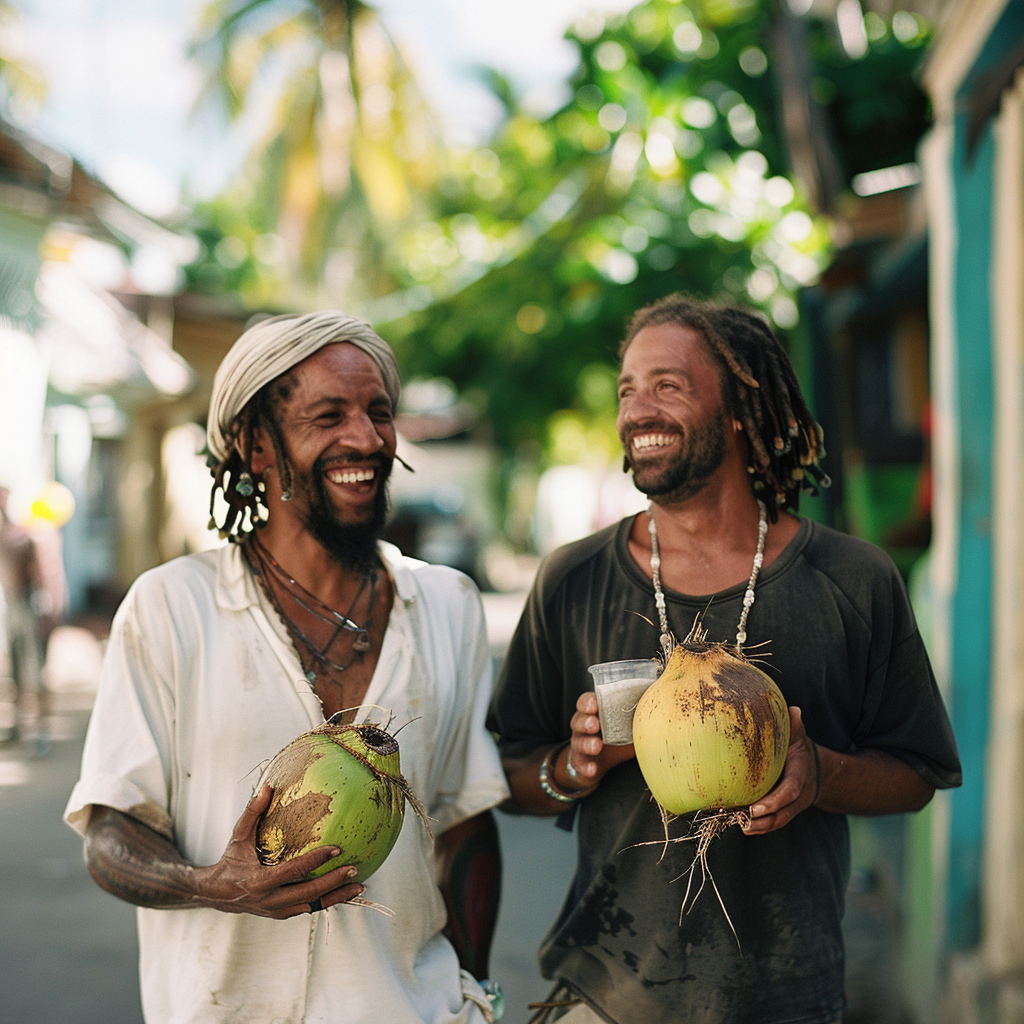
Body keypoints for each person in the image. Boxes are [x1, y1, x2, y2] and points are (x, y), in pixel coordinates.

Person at [488, 294, 961, 1024]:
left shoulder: (853, 580)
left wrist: (819, 775)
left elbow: (916, 776)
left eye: (667, 386)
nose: (637, 410)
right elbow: (510, 775)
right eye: (627, 390)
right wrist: (573, 767)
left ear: (740, 410)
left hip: (788, 999)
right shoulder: (571, 579)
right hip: (605, 998)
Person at [64, 311, 509, 1024]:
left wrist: (477, 994)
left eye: (379, 412)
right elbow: (110, 833)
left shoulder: (448, 606)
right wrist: (215, 885)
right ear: (254, 445)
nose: (365, 438)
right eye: (327, 415)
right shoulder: (171, 609)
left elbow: (464, 824)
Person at [0, 485, 47, 750]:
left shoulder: (23, 536)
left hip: (27, 608)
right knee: (15, 671)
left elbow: (39, 572)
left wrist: (45, 606)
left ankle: (39, 730)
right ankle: (18, 724)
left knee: (34, 670)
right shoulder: (4, 536)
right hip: (10, 609)